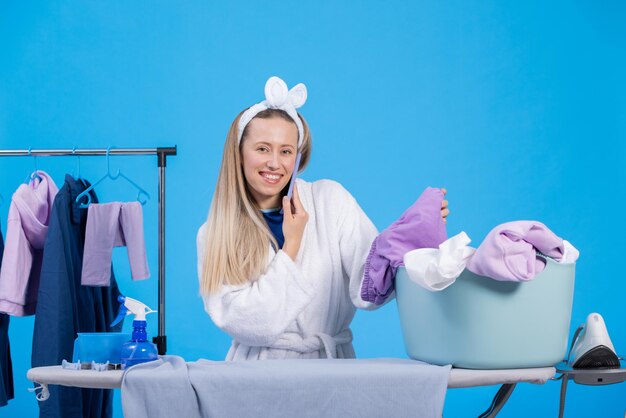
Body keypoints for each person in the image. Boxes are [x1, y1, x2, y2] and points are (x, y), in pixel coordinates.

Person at [197, 76, 449, 360]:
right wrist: (292, 244)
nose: (274, 163)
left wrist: (408, 236)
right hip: (256, 377)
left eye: (286, 151)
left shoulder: (330, 200)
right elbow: (254, 324)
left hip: (330, 369)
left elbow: (368, 287)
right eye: (262, 148)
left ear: (297, 157)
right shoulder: (215, 234)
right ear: (239, 153)